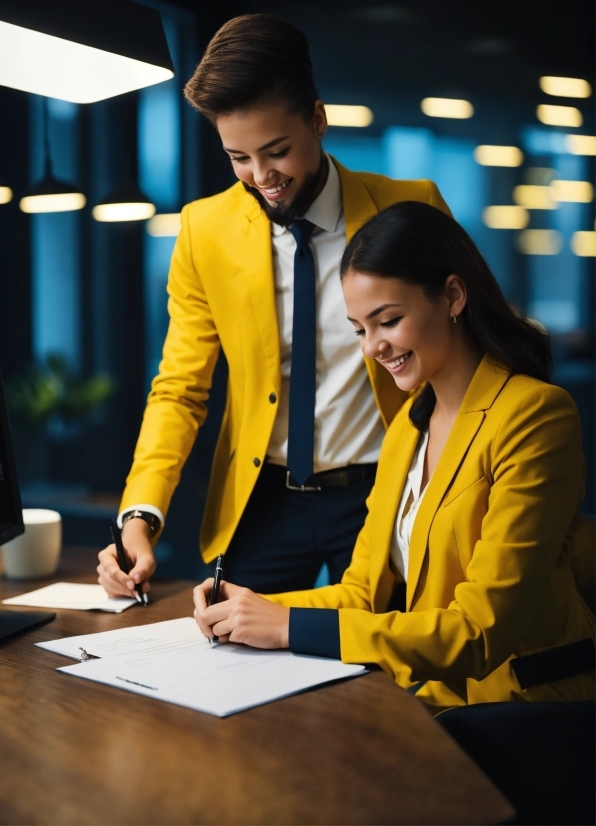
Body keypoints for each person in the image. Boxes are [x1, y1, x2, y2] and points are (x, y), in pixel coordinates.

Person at [97, 14, 450, 598]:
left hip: (382, 493)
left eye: (277, 151)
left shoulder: (410, 210)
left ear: (317, 119)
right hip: (261, 501)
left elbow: (465, 357)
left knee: (386, 676)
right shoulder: (203, 230)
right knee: (228, 662)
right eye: (238, 158)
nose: (262, 179)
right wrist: (140, 516)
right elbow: (181, 386)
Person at [193, 201, 595, 713]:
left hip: (525, 710)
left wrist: (288, 626)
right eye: (360, 329)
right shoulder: (409, 426)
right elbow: (363, 592)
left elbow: (477, 631)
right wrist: (247, 607)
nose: (373, 348)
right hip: (433, 702)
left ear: (452, 295)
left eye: (388, 321)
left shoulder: (535, 415)